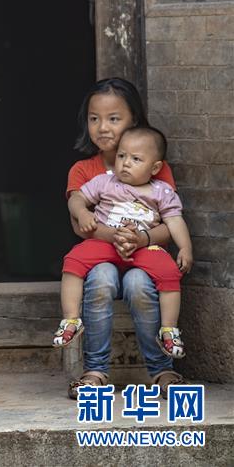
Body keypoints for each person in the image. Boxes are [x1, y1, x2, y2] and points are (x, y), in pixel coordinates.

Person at [62, 78, 185, 400]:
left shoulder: (155, 168)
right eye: (94, 118)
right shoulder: (83, 170)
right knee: (101, 278)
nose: (103, 127)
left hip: (144, 257)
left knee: (138, 284)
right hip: (100, 257)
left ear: (134, 120)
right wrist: (117, 235)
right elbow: (80, 224)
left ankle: (162, 370)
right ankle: (95, 372)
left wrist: (141, 239)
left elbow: (169, 224)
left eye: (114, 118)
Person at [54, 125, 192, 360]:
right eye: (121, 156)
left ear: (155, 167)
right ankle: (71, 320)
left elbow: (174, 221)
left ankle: (169, 330)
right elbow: (76, 199)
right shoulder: (104, 182)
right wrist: (83, 213)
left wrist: (186, 248)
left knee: (170, 272)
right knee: (73, 260)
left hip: (143, 248)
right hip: (106, 245)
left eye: (136, 159)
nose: (126, 163)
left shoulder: (162, 191)